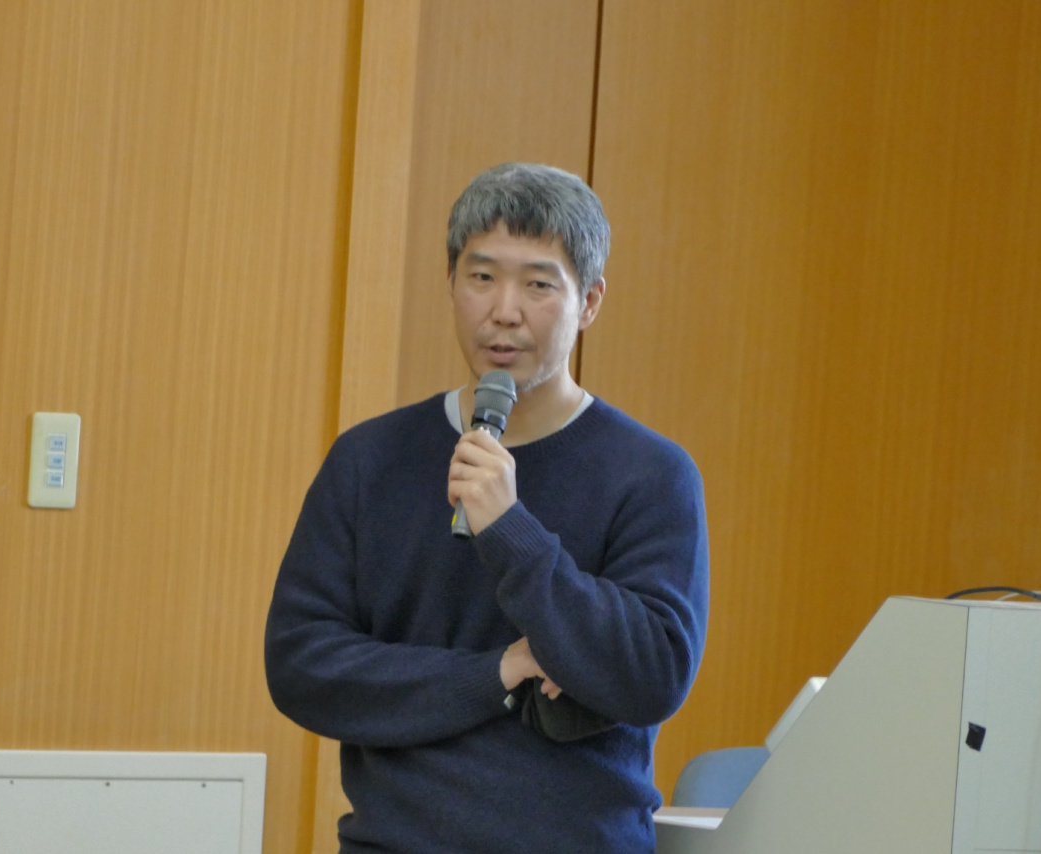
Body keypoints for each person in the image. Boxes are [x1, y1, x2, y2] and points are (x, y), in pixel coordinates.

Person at [264, 162, 710, 853]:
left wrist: (511, 531)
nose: (504, 310)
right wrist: (497, 673)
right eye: (481, 277)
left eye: (538, 284)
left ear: (589, 301)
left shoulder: (652, 474)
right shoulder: (369, 459)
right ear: (450, 283)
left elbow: (652, 675)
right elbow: (303, 664)